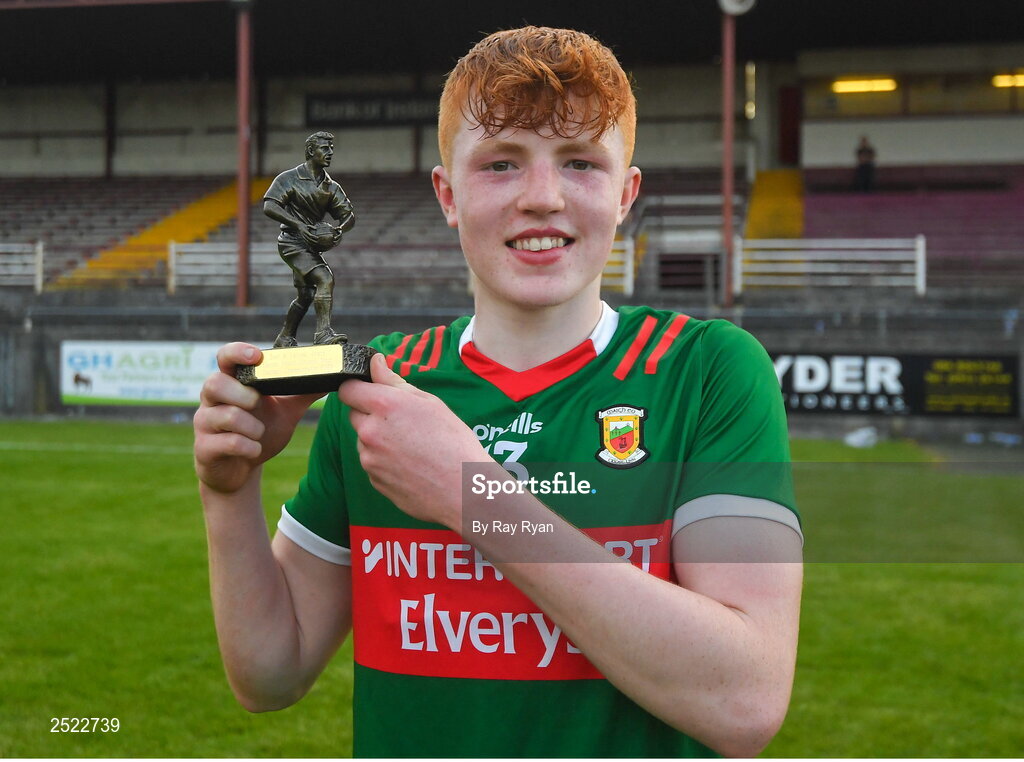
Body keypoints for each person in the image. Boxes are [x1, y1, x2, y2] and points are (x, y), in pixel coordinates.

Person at [194, 26, 803, 758]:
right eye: (501, 165)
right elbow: (269, 674)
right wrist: (230, 492)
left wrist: (473, 498)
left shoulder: (707, 371)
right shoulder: (382, 387)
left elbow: (745, 699)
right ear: (447, 196)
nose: (541, 198)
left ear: (625, 195)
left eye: (580, 164)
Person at [263, 131, 355, 347]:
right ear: (311, 151)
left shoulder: (331, 187)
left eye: (332, 148)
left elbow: (349, 215)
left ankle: (285, 338)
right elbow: (269, 205)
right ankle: (323, 334)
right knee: (325, 278)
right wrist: (299, 225)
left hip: (311, 244)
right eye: (325, 148)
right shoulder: (289, 178)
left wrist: (339, 229)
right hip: (291, 241)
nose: (330, 152)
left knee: (305, 295)